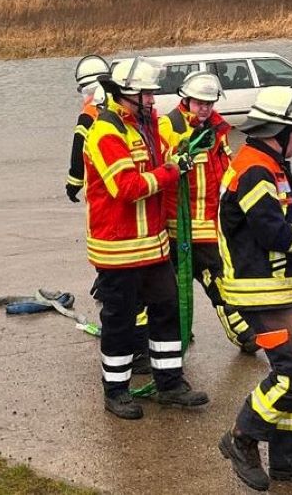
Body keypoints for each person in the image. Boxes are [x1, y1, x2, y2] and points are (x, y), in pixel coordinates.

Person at [216, 86, 292, 491]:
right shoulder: (255, 170)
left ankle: (289, 458)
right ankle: (241, 437)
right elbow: (273, 232)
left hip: (280, 290)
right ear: (278, 130)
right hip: (259, 293)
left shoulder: (271, 164)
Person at [84, 56, 209, 419]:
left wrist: (182, 153)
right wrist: (171, 171)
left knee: (167, 310)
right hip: (118, 249)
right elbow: (127, 187)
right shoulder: (106, 132)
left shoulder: (147, 124)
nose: (154, 100)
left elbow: (163, 156)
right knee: (120, 322)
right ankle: (116, 391)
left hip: (153, 246)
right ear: (125, 94)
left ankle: (170, 384)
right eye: (147, 94)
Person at [157, 71, 256, 353]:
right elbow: (160, 170)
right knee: (193, 285)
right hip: (180, 227)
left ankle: (239, 333)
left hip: (212, 223)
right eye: (200, 103)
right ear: (186, 99)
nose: (205, 108)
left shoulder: (216, 130)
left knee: (219, 280)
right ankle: (242, 334)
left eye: (209, 103)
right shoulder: (169, 127)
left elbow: (225, 170)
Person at [65, 54, 110, 203]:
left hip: (100, 185)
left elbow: (78, 152)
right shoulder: (120, 105)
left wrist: (73, 186)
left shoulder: (87, 116)